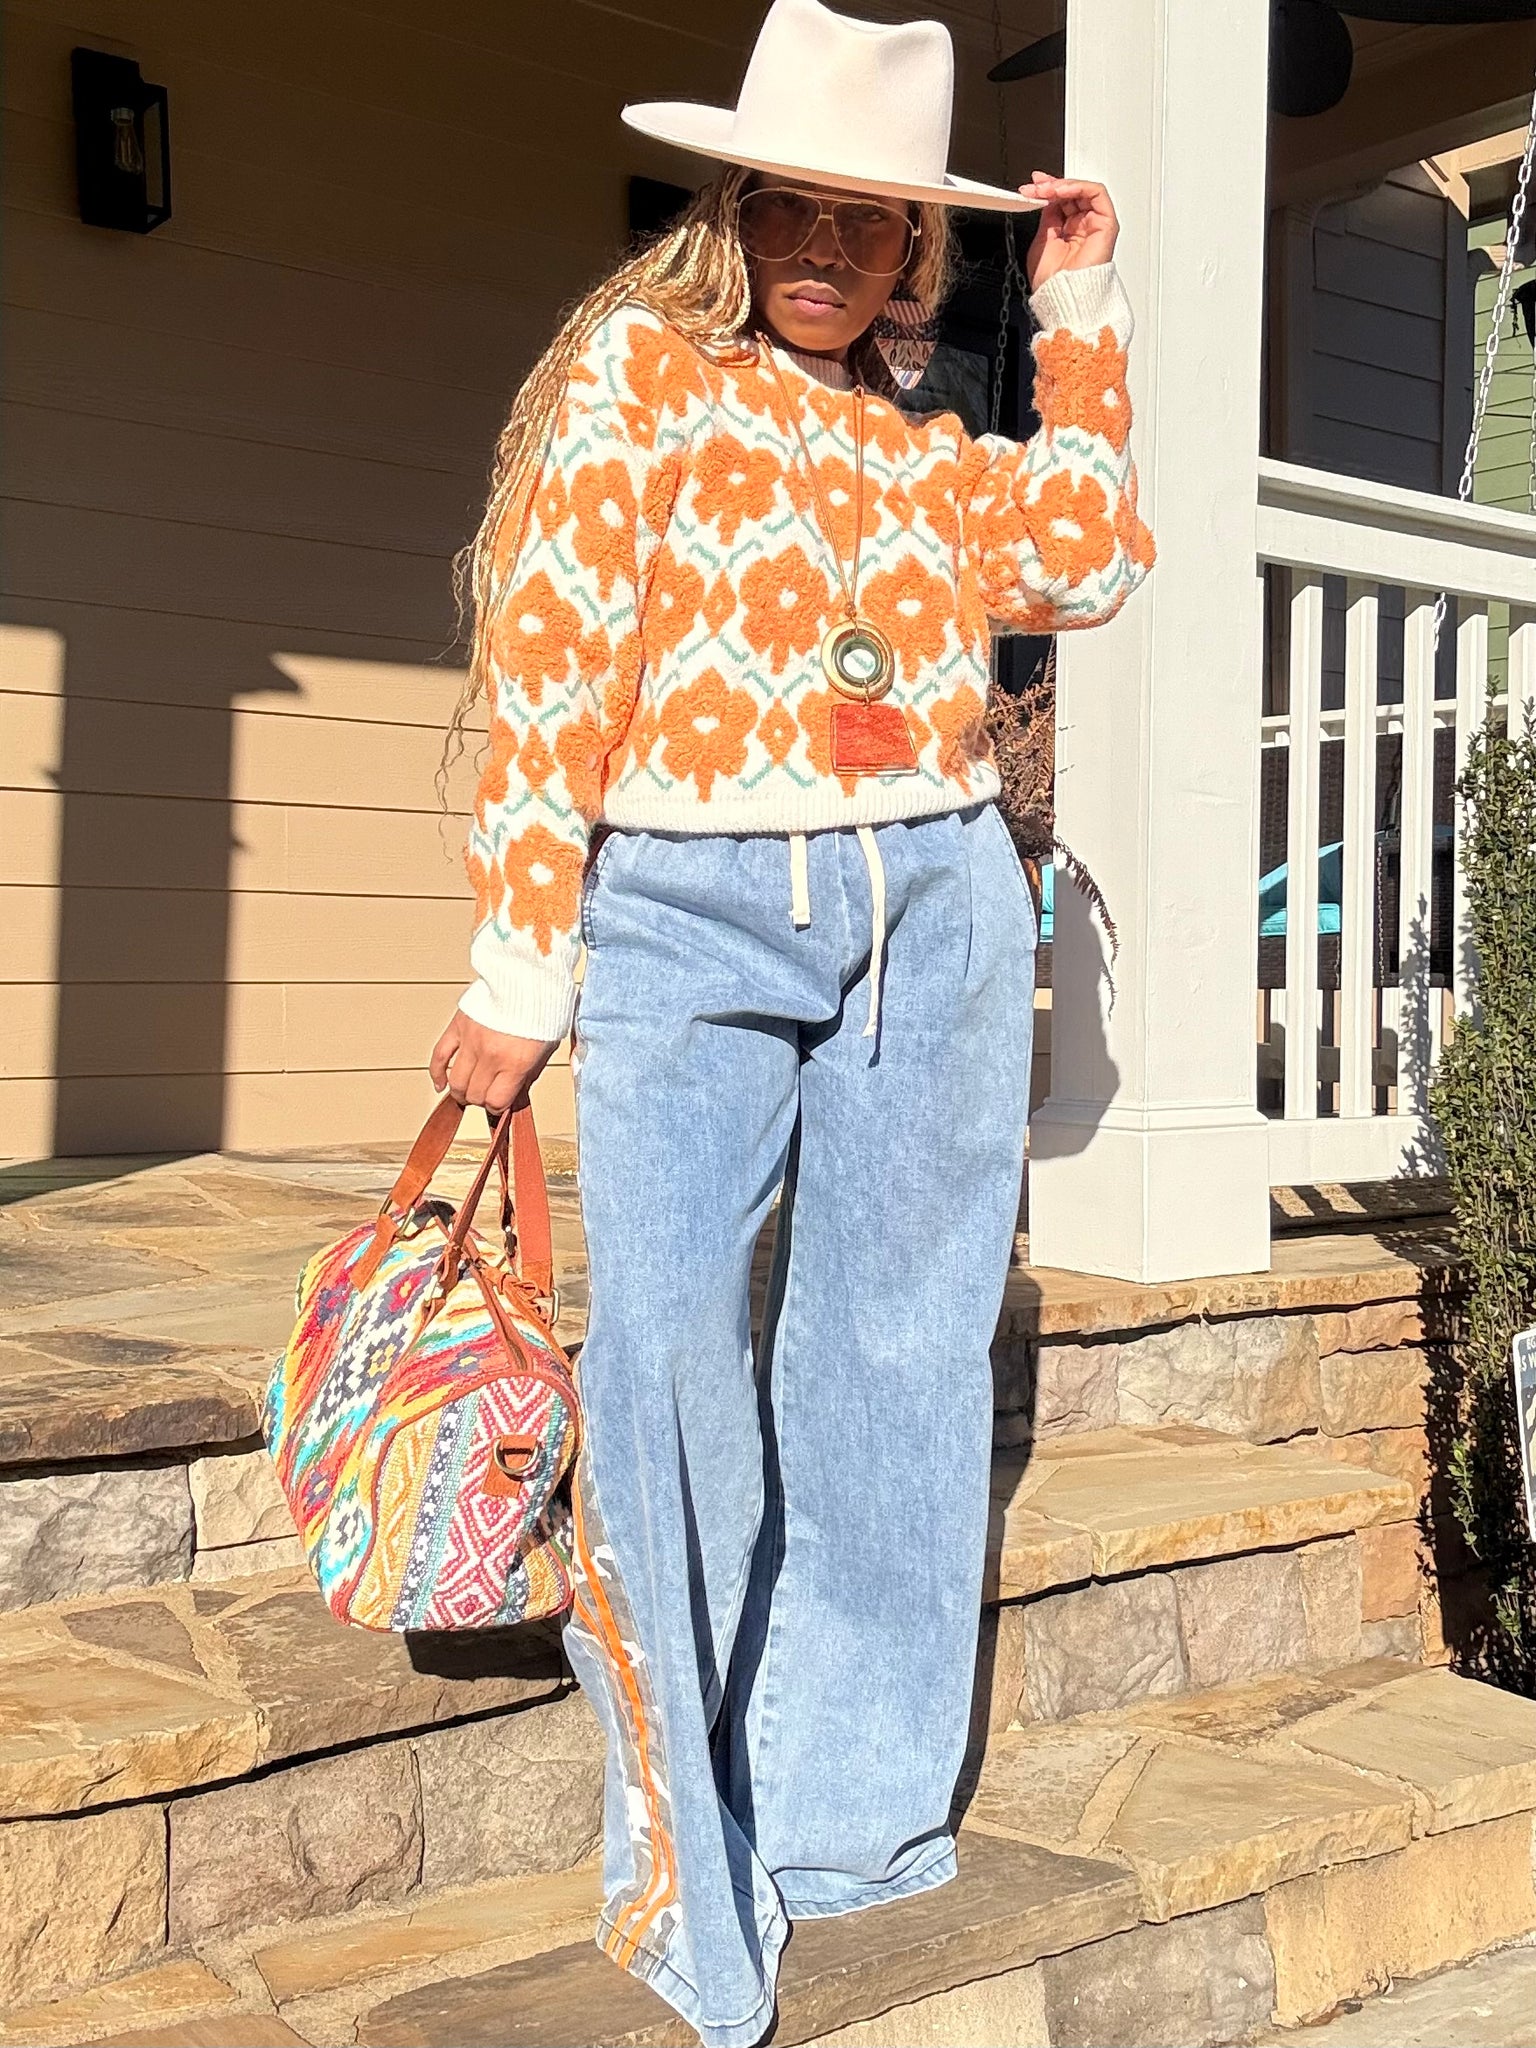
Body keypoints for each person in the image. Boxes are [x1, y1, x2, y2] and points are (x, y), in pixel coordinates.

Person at [429, 1, 1153, 2040]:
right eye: (793, 205)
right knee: (668, 1353)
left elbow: (1088, 557)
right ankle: (686, 1850)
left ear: (917, 244)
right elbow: (554, 664)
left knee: (896, 1353)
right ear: (736, 204)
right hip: (688, 905)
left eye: (870, 216)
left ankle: (851, 1814)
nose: (825, 246)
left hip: (936, 898)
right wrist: (519, 968)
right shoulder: (638, 379)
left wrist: (1077, 308)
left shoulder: (927, 427)